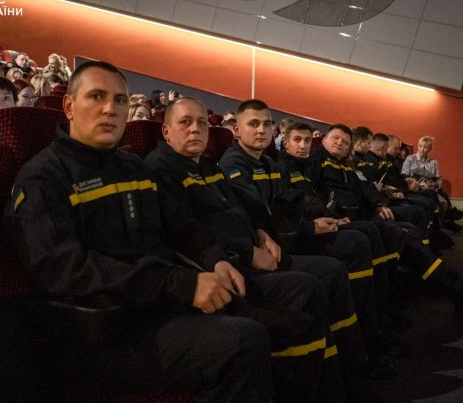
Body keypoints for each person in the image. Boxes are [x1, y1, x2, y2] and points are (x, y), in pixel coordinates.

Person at [7, 61, 272, 401]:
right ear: (69, 107)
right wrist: (179, 284)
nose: (110, 109)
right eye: (97, 97)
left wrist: (214, 259)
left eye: (120, 100)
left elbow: (179, 227)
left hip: (159, 304)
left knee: (283, 317)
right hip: (105, 327)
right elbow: (64, 269)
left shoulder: (134, 167)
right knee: (244, 342)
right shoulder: (43, 176)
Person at [145, 97, 345, 401]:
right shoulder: (161, 169)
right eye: (185, 122)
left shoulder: (208, 165)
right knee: (309, 287)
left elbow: (241, 208)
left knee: (322, 278)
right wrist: (249, 252)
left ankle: (326, 385)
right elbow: (187, 230)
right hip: (226, 265)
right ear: (166, 131)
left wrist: (261, 233)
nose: (195, 129)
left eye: (202, 123)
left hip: (251, 252)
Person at [219, 99, 390, 382]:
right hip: (267, 251)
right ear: (236, 130)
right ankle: (354, 357)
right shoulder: (233, 165)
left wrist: (317, 221)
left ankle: (359, 348)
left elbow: (286, 206)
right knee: (346, 254)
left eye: (266, 124)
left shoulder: (267, 163)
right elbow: (260, 215)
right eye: (254, 124)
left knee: (355, 246)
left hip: (286, 239)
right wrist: (309, 228)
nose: (261, 130)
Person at [310, 124, 463, 316]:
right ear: (324, 139)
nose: (340, 143)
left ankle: (448, 288)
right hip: (344, 221)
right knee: (402, 236)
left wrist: (379, 204)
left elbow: (365, 189)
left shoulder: (346, 165)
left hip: (365, 216)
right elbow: (312, 195)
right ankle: (459, 293)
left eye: (345, 141)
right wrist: (332, 216)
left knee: (410, 233)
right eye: (335, 138)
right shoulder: (316, 159)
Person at [402, 136, 463, 225]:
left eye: (425, 147)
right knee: (441, 202)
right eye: (420, 146)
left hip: (429, 188)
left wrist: (434, 185)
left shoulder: (433, 162)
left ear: (430, 149)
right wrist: (416, 183)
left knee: (443, 202)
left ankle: (443, 222)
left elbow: (439, 179)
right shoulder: (410, 159)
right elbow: (404, 176)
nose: (422, 149)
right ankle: (445, 220)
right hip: (415, 188)